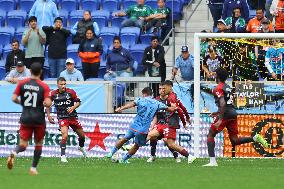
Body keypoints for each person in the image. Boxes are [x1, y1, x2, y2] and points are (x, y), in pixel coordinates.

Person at [203, 67, 268, 167]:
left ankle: (212, 162)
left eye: (215, 74)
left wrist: (220, 119)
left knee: (210, 135)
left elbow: (223, 103)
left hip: (226, 114)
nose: (214, 75)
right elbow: (227, 102)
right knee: (234, 140)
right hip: (233, 113)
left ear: (217, 76)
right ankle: (255, 138)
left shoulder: (218, 88)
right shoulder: (227, 86)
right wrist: (217, 112)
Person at [106, 87, 176, 163]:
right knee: (137, 146)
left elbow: (131, 104)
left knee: (124, 139)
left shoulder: (140, 99)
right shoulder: (157, 103)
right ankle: (123, 160)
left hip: (134, 126)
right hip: (142, 130)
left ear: (144, 94)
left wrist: (121, 108)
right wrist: (173, 106)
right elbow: (171, 109)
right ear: (151, 94)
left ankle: (111, 153)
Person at [6, 62, 52, 175]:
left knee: (23, 144)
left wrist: (23, 103)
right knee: (39, 143)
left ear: (30, 71)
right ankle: (33, 168)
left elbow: (13, 98)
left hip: (26, 117)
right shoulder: (44, 86)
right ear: (40, 72)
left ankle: (14, 152)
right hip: (38, 119)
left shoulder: (22, 83)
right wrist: (45, 102)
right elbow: (48, 103)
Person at [147, 82, 195, 163]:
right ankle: (151, 155)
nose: (161, 90)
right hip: (160, 124)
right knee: (150, 136)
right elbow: (155, 115)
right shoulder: (156, 100)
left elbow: (180, 109)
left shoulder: (171, 98)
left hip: (169, 124)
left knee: (170, 143)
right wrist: (152, 125)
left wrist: (185, 121)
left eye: (163, 88)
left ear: (168, 88)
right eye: (160, 89)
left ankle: (184, 156)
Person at [47, 77, 87, 163]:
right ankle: (63, 156)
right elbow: (47, 105)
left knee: (82, 136)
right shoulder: (53, 94)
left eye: (64, 84)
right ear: (57, 85)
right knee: (65, 135)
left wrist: (73, 107)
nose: (63, 86)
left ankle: (81, 147)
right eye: (61, 84)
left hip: (72, 117)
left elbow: (79, 102)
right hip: (62, 117)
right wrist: (49, 116)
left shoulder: (71, 92)